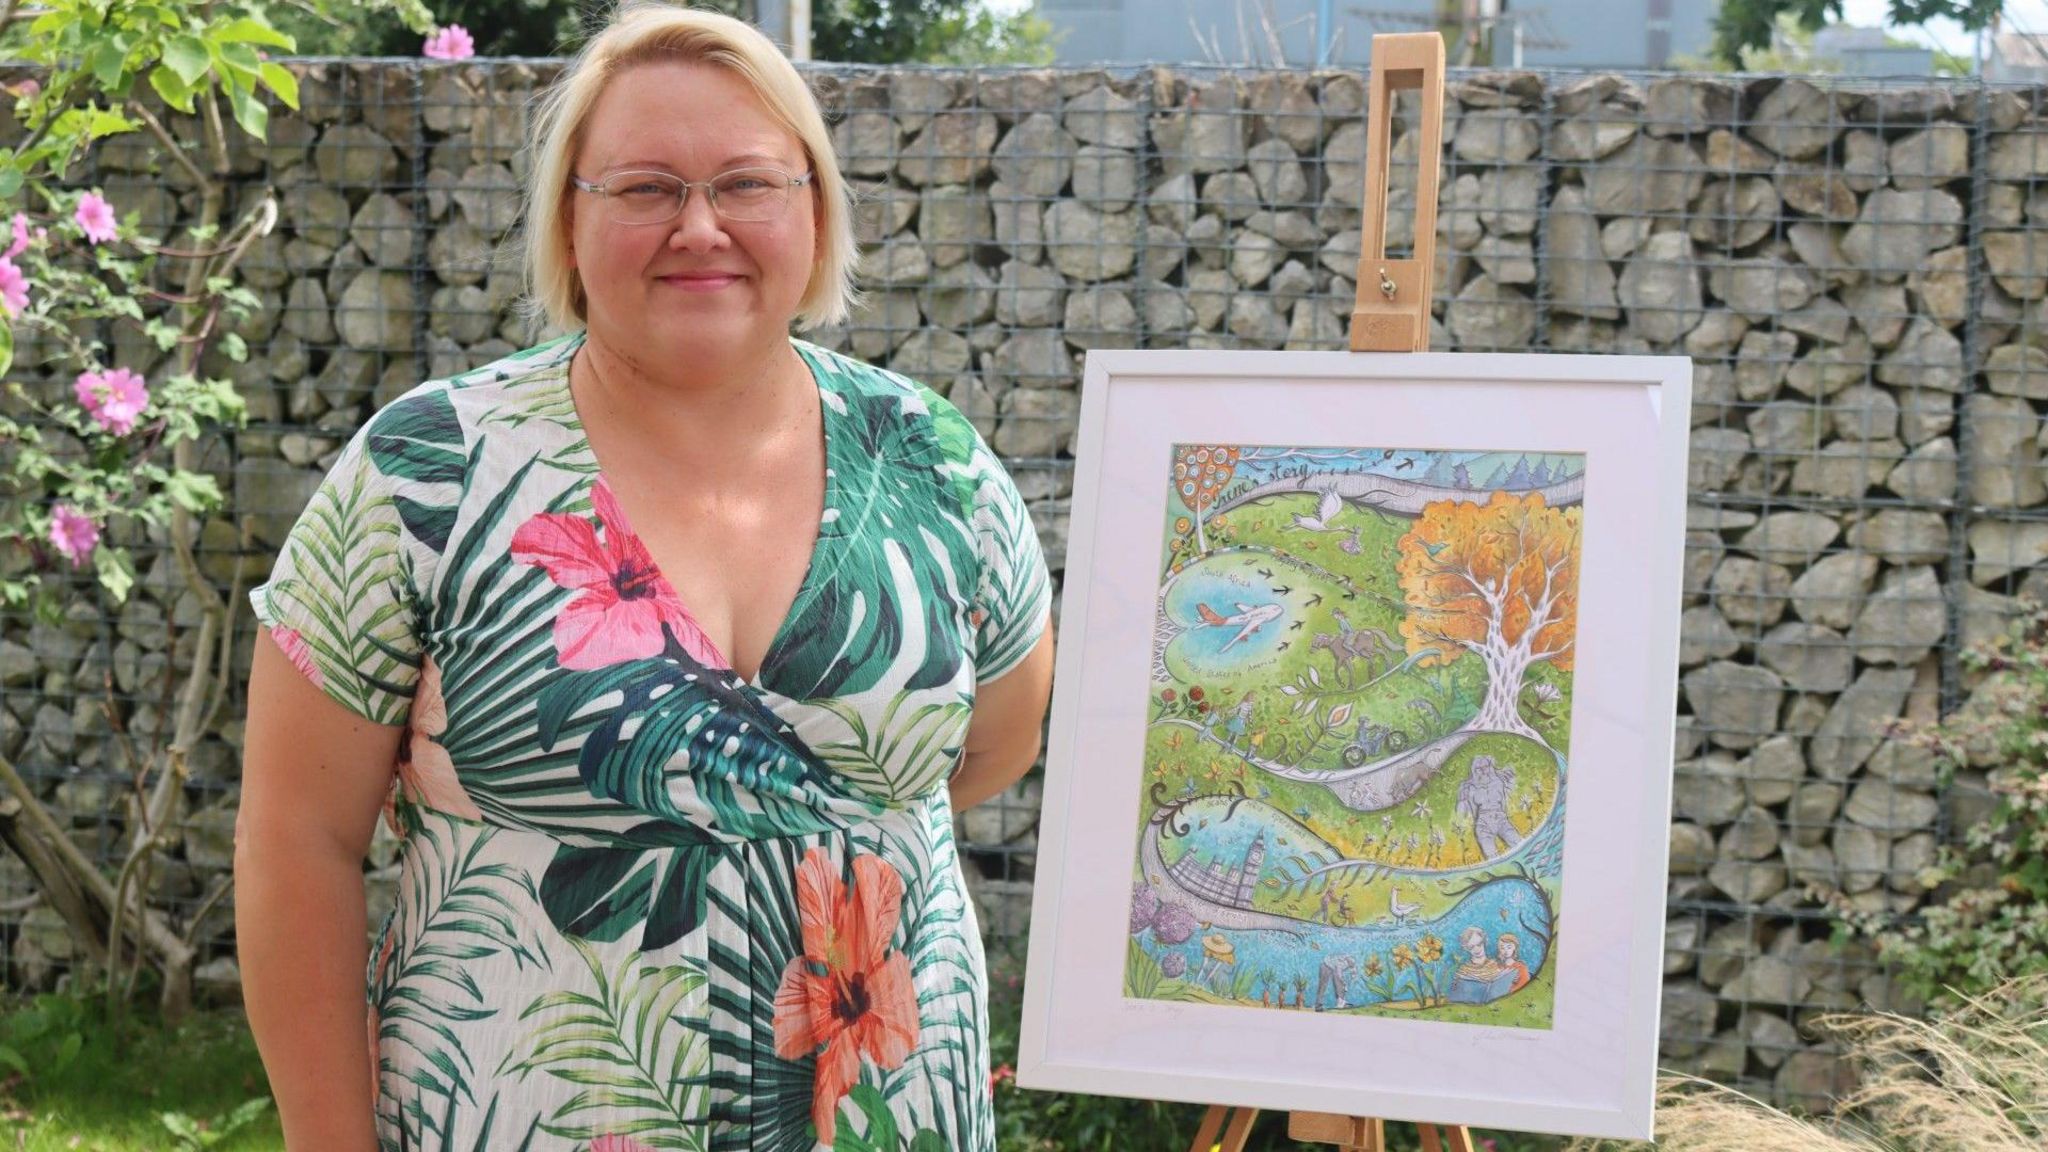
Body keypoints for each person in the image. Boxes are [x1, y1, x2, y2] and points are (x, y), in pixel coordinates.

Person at [234, 6, 1054, 1149]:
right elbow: (296, 839)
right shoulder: (426, 470)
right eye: (645, 188)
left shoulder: (932, 462)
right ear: (568, 221)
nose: (701, 227)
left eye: (749, 185)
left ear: (813, 210)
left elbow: (995, 745)